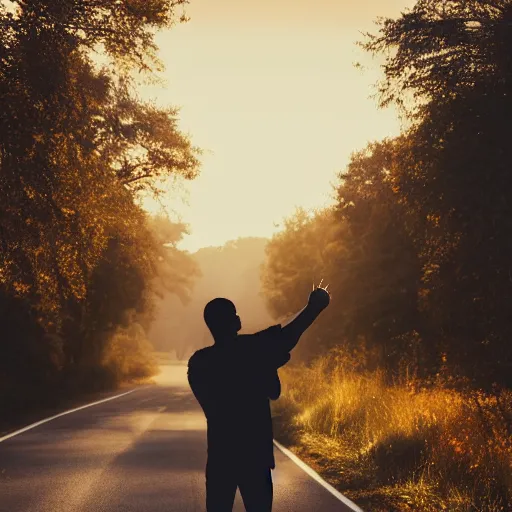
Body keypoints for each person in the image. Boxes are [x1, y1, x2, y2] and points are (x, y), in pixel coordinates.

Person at [187, 282, 331, 512]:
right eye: (234, 314)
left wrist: (264, 365)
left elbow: (216, 405)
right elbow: (289, 335)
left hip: (220, 457)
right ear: (231, 322)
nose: (238, 317)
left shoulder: (198, 363)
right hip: (255, 455)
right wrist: (314, 307)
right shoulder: (253, 349)